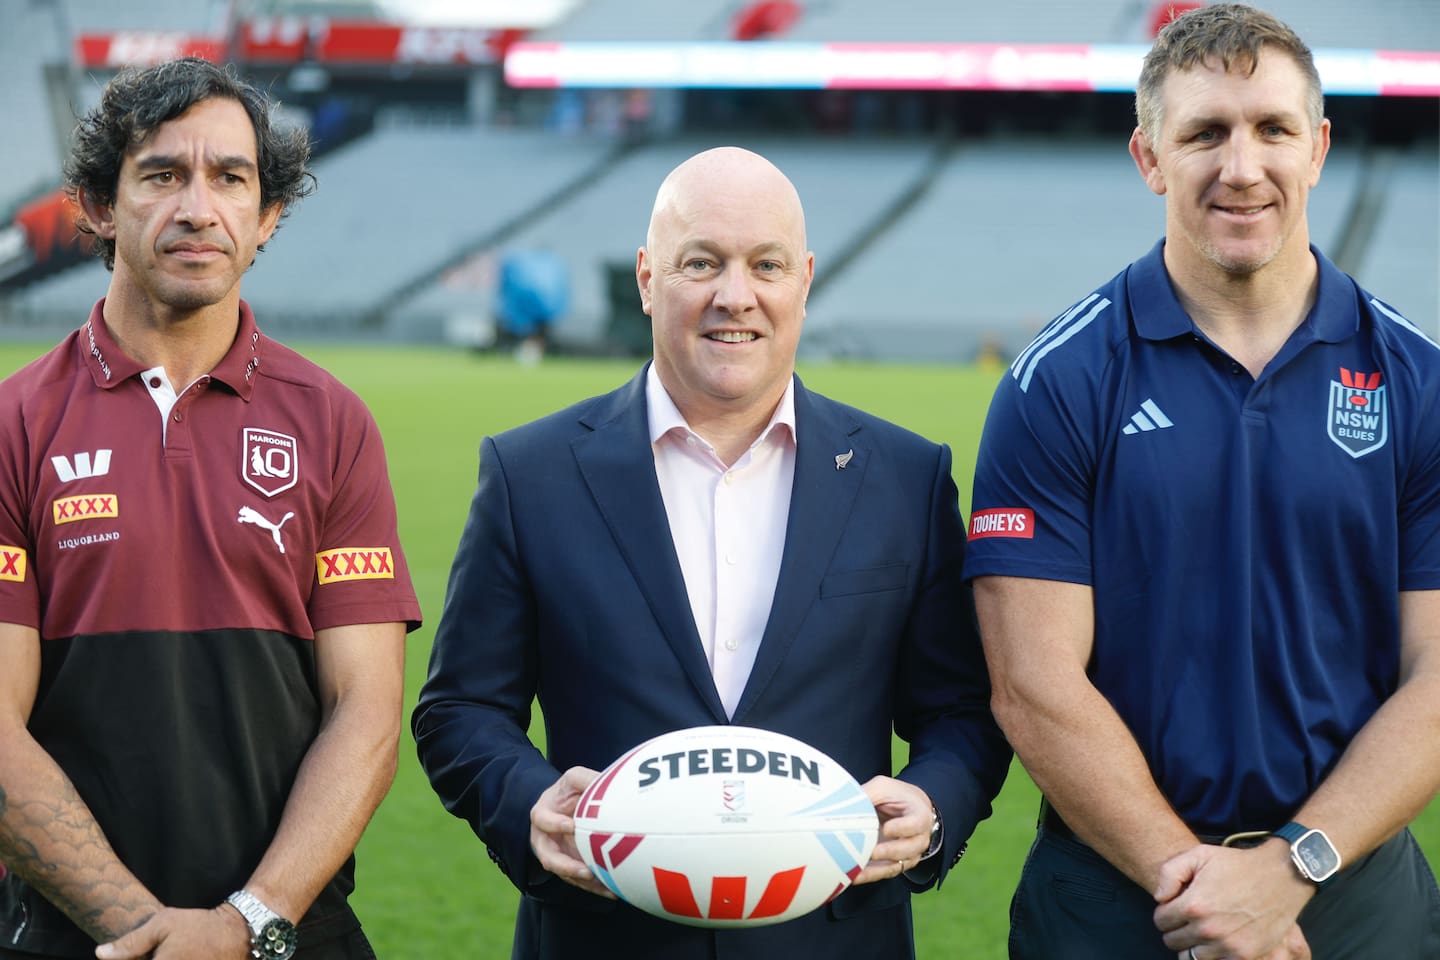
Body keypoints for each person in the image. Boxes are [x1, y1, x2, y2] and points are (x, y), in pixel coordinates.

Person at [412, 146, 1011, 959]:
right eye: (702, 262)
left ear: (803, 278)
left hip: (834, 942)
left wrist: (934, 801)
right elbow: (460, 708)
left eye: (765, 265)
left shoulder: (906, 477)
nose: (737, 297)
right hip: (604, 939)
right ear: (648, 277)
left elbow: (964, 710)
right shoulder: (532, 475)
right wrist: (529, 805)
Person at [963, 5, 1440, 960]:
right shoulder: (1057, 381)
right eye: (1204, 133)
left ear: (1319, 148)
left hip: (1352, 891)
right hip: (1114, 892)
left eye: (1273, 129)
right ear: (1148, 157)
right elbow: (1032, 683)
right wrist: (1200, 886)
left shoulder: (1418, 379)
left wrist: (1289, 869)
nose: (1241, 166)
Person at [0, 58, 421, 960]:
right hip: (67, 937)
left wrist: (249, 921)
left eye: (231, 178)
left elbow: (367, 710)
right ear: (100, 207)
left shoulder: (334, 421)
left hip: (290, 933)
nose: (199, 207)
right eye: (162, 174)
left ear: (266, 217)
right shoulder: (12, 424)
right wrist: (140, 931)